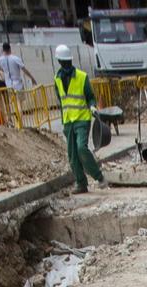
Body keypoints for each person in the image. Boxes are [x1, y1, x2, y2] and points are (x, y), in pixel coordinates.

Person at [53, 45, 104, 193]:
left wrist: (93, 106)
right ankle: (81, 184)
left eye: (68, 62)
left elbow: (90, 96)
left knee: (81, 148)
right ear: (60, 62)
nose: (66, 64)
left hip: (82, 118)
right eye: (64, 62)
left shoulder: (82, 77)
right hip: (68, 120)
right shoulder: (57, 79)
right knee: (73, 154)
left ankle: (98, 176)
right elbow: (61, 99)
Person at [0, 43, 35, 125]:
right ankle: (20, 121)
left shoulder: (1, 60)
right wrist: (32, 78)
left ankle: (16, 118)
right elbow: (24, 69)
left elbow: (0, 70)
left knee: (14, 103)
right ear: (10, 49)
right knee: (19, 103)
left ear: (3, 50)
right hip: (18, 84)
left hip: (8, 85)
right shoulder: (15, 58)